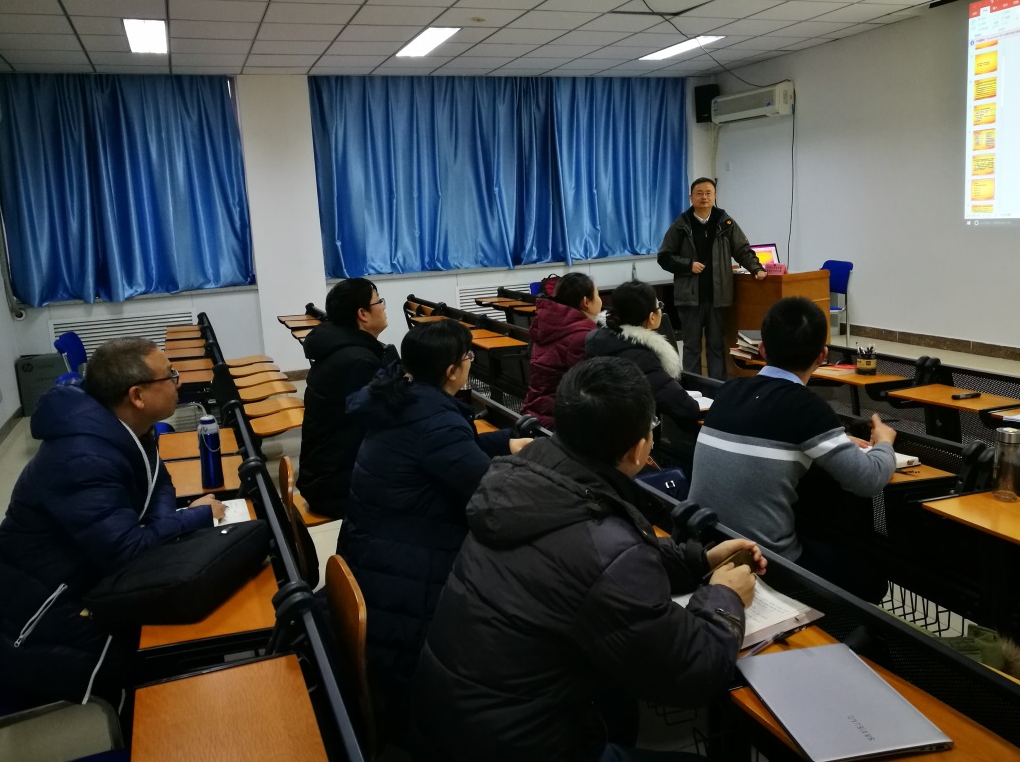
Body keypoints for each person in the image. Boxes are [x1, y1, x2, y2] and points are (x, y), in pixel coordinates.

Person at [412, 357, 765, 761]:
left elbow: (601, 560)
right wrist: (724, 598)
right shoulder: (600, 543)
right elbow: (695, 673)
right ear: (639, 449)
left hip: (457, 722)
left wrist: (697, 561)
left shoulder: (527, 476)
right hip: (518, 745)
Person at [0, 338, 225, 705]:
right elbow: (127, 552)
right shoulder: (82, 458)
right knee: (171, 656)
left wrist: (162, 525)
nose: (178, 382)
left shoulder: (124, 425)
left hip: (86, 584)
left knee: (191, 612)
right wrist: (196, 516)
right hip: (40, 620)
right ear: (137, 396)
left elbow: (157, 479)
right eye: (170, 375)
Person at [336, 319, 531, 741]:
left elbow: (445, 451)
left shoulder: (402, 398)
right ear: (451, 370)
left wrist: (504, 443)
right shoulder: (435, 419)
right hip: (407, 583)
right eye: (468, 356)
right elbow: (493, 497)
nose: (470, 363)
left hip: (374, 555)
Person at [689, 297, 896, 601]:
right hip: (768, 564)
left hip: (705, 547)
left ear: (762, 350)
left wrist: (834, 440)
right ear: (822, 355)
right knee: (870, 576)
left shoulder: (730, 391)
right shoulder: (806, 407)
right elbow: (868, 479)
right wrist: (885, 441)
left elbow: (775, 432)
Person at [298, 277, 397, 519]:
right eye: (379, 302)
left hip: (323, 476)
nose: (384, 307)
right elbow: (387, 422)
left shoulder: (341, 347)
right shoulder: (358, 362)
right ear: (362, 314)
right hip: (337, 487)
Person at [657, 177, 766, 381]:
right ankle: (693, 389)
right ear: (691, 197)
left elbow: (742, 250)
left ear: (715, 196)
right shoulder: (681, 224)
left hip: (719, 296)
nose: (704, 197)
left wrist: (756, 269)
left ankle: (717, 388)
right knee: (692, 347)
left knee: (716, 346)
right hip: (690, 298)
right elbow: (664, 257)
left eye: (708, 193)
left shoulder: (725, 222)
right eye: (699, 193)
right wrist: (688, 265)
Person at [585, 280, 700, 432]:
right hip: (630, 438)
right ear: (652, 317)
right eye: (659, 306)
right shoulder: (642, 358)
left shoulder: (599, 340)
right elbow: (684, 408)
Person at [521, 271, 602, 429]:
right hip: (559, 422)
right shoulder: (582, 337)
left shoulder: (547, 324)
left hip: (535, 411)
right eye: (598, 294)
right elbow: (587, 389)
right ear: (586, 302)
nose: (600, 299)